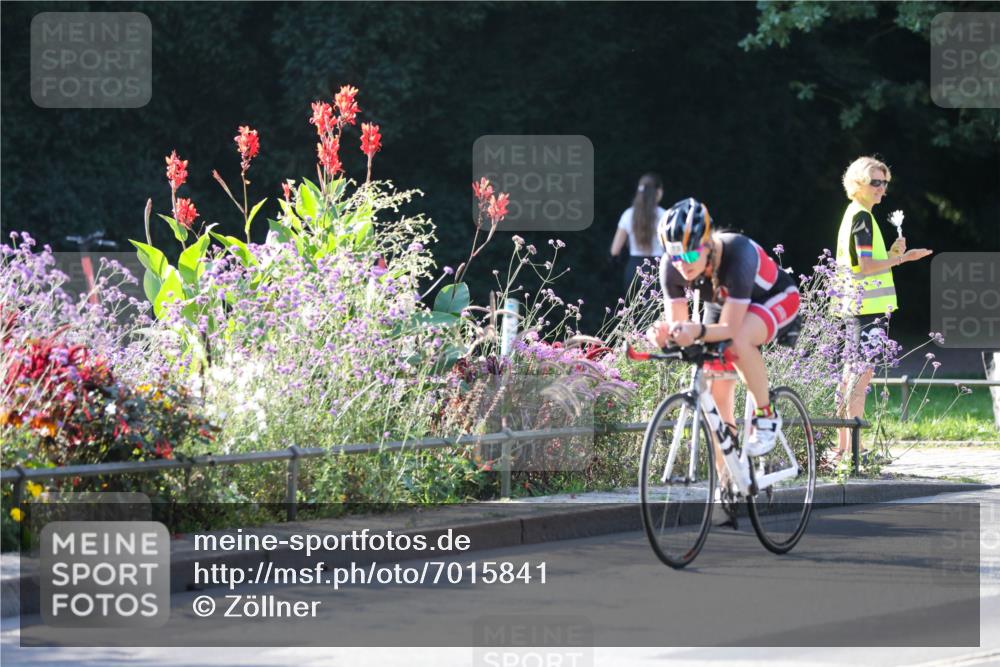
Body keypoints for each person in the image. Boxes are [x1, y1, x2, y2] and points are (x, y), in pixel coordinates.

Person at [646, 198, 801, 468]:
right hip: (724, 303)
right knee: (714, 384)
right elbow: (682, 329)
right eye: (676, 256)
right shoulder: (672, 266)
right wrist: (666, 335)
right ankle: (727, 479)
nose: (683, 264)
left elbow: (729, 329)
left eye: (691, 255)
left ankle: (767, 415)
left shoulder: (738, 254)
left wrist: (695, 331)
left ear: (707, 244)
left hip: (774, 297)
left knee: (738, 341)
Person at [831, 156, 932, 463]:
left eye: (885, 183)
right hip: (865, 309)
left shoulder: (856, 215)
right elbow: (866, 266)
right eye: (876, 182)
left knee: (849, 377)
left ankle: (842, 449)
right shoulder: (861, 216)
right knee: (859, 379)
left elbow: (866, 263)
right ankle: (855, 450)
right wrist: (902, 258)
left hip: (853, 306)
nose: (882, 189)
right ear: (858, 183)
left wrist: (890, 253)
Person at [610, 173, 666, 293]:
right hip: (658, 269)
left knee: (634, 311)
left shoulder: (628, 214)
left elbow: (614, 250)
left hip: (634, 269)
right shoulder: (665, 216)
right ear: (658, 192)